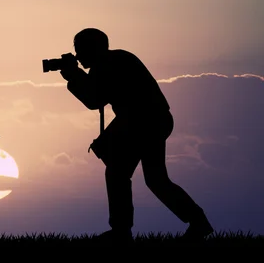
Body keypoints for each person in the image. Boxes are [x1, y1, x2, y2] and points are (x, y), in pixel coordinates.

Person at [58, 28, 214, 243]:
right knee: (154, 179)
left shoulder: (108, 63)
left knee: (120, 174)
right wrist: (76, 76)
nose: (78, 55)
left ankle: (122, 232)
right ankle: (197, 222)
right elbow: (97, 96)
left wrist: (73, 76)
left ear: (91, 48)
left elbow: (94, 100)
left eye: (80, 50)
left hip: (143, 122)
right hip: (150, 121)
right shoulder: (116, 59)